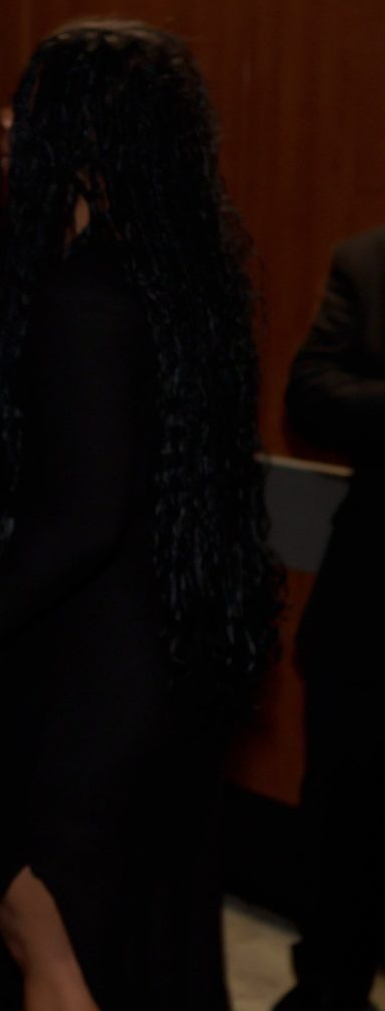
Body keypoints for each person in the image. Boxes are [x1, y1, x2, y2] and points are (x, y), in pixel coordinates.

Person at [0, 20, 280, 1009]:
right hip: (167, 664)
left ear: (86, 136)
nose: (11, 121)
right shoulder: (187, 287)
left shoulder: (81, 297)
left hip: (90, 683)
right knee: (133, 941)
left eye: (34, 102)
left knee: (46, 930)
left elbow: (79, 518)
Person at [275, 226, 385, 1011]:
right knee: (344, 821)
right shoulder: (369, 261)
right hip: (370, 605)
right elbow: (310, 391)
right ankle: (326, 987)